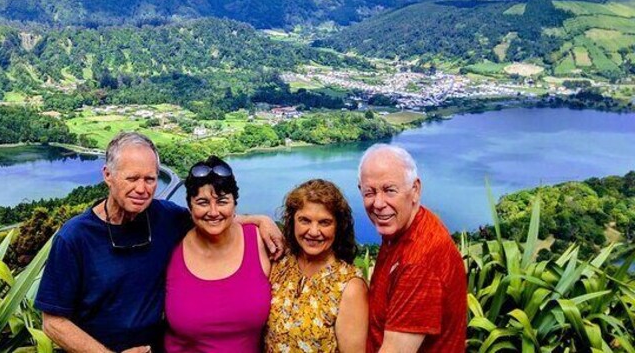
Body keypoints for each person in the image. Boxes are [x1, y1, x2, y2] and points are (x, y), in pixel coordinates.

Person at [35, 132, 283, 353]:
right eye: (132, 179)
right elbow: (53, 322)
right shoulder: (74, 238)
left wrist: (259, 220)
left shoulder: (165, 217)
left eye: (150, 179)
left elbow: (210, 217)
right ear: (108, 176)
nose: (142, 189)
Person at [357, 144, 466, 353]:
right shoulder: (405, 228)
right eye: (369, 192)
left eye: (389, 190)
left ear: (415, 189)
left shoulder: (419, 262)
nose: (378, 203)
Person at [164, 156, 271, 352]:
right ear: (189, 206)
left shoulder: (260, 242)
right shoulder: (170, 245)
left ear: (234, 204)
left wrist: (263, 220)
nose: (213, 212)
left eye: (222, 201)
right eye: (202, 202)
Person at [265, 179, 369, 353]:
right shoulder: (280, 263)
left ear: (338, 226)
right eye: (305, 220)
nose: (313, 232)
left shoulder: (349, 286)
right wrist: (260, 219)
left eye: (324, 222)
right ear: (292, 221)